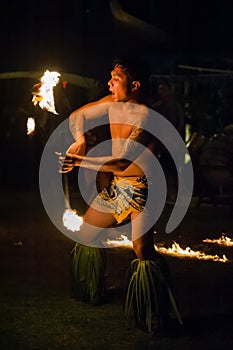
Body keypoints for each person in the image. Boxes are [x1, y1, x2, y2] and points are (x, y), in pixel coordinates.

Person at [59, 58, 181, 333]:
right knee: (87, 234)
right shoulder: (111, 103)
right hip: (117, 186)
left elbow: (122, 163)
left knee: (142, 250)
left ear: (134, 85)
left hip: (142, 188)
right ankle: (91, 290)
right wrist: (79, 139)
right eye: (110, 76)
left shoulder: (146, 117)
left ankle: (155, 308)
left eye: (116, 77)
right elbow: (76, 117)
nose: (110, 82)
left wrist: (79, 162)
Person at [152, 80, 185, 202]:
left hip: (173, 143)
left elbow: (179, 124)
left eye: (163, 88)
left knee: (173, 170)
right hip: (162, 143)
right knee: (165, 169)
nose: (161, 91)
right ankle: (168, 194)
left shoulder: (175, 106)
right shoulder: (158, 106)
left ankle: (175, 194)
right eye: (160, 89)